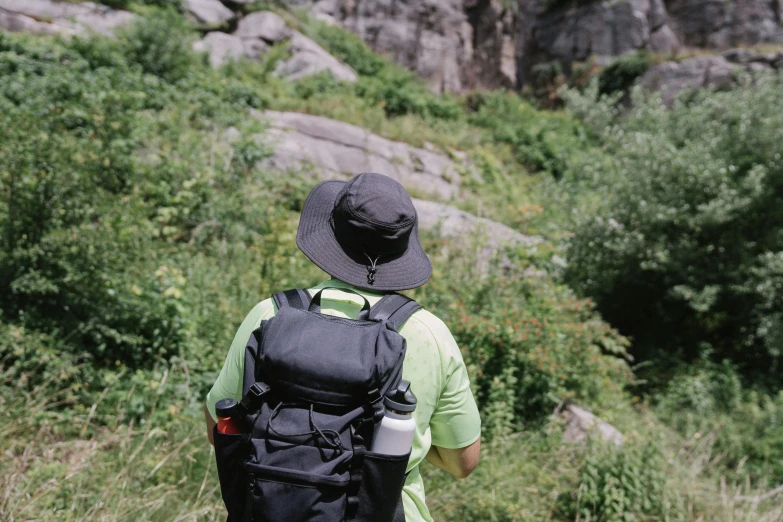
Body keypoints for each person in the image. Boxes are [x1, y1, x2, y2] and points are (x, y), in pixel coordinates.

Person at [204, 172, 481, 522]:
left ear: (332, 234)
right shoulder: (429, 334)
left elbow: (221, 429)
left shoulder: (271, 314)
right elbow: (463, 463)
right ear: (401, 247)